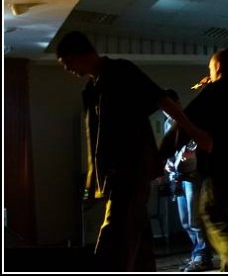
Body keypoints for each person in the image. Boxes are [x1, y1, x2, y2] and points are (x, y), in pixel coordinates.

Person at [55, 30, 212, 272]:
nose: (67, 68)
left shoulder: (121, 71)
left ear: (80, 54)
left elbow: (162, 100)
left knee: (114, 233)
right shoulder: (90, 90)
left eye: (67, 62)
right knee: (138, 234)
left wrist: (194, 131)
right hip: (114, 172)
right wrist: (93, 180)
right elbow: (94, 138)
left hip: (131, 167)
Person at [161, 48, 228, 272]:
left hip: (222, 166)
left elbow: (184, 126)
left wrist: (158, 157)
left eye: (210, 68)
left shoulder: (214, 92)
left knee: (213, 217)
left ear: (217, 68)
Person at [163, 89, 213, 272]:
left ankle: (203, 257)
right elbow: (170, 148)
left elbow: (204, 140)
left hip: (193, 175)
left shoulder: (190, 119)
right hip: (177, 175)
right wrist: (168, 163)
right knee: (185, 220)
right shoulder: (168, 124)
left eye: (170, 106)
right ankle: (196, 255)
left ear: (178, 103)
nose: (167, 111)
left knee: (195, 218)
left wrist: (194, 152)